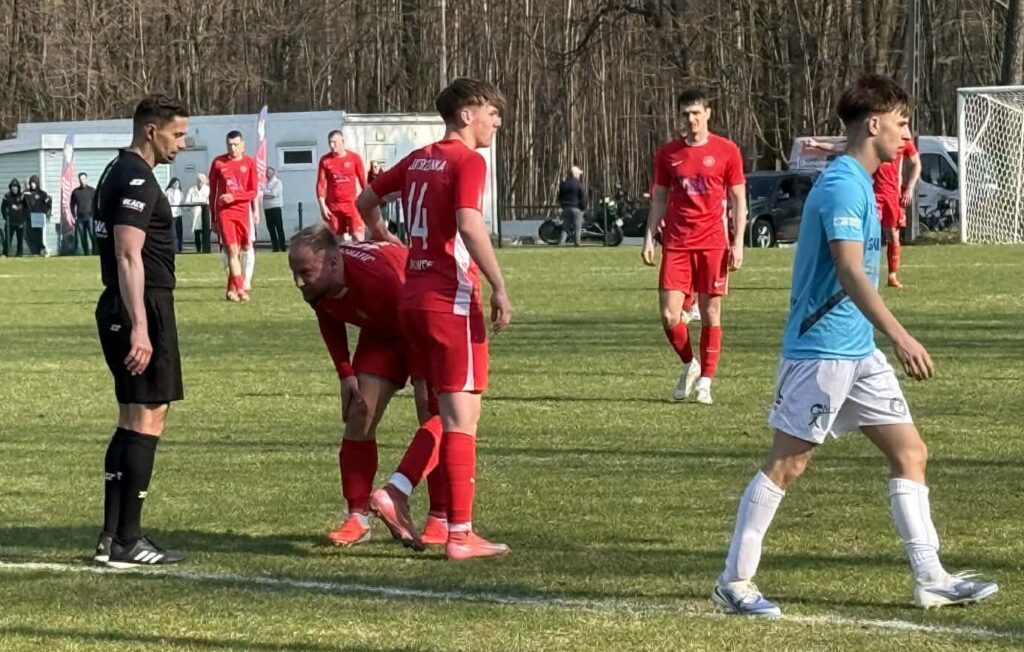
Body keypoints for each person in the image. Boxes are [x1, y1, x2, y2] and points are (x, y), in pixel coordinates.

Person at [711, 75, 998, 617]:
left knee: (910, 452)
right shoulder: (844, 185)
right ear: (874, 124)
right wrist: (901, 336)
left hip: (857, 351)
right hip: (821, 353)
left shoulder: (861, 181)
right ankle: (734, 581)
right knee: (787, 465)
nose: (907, 135)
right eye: (902, 123)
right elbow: (848, 270)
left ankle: (931, 578)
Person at [357, 77, 512, 561]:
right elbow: (469, 223)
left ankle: (439, 519)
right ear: (466, 114)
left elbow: (365, 202)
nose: (497, 122)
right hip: (451, 300)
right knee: (462, 418)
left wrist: (387, 238)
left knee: (438, 415)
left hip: (413, 299)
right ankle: (449, 526)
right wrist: (499, 284)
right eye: (491, 112)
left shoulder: (419, 158)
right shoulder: (467, 161)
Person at [288, 225, 450, 549]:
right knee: (359, 413)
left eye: (305, 272)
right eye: (295, 273)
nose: (299, 282)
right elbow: (328, 315)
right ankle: (357, 518)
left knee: (432, 412)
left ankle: (440, 517)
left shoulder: (380, 280)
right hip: (382, 331)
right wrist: (345, 373)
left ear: (334, 262)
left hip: (420, 324)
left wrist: (423, 379)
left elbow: (419, 323)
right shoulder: (319, 283)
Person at [92, 94, 190, 568]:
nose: (182, 144)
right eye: (177, 134)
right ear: (151, 130)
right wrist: (141, 328)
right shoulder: (137, 177)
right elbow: (127, 253)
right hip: (141, 303)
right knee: (149, 417)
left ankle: (111, 537)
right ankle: (128, 541)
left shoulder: (115, 169)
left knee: (131, 418)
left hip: (123, 302)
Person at [641, 88, 747, 405]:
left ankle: (706, 382)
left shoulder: (727, 151)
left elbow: (738, 199)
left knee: (711, 313)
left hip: (713, 243)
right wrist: (649, 236)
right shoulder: (668, 154)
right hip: (677, 244)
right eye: (686, 114)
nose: (691, 119)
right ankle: (690, 363)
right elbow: (659, 198)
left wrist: (738, 242)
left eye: (697, 113)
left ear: (708, 114)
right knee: (670, 315)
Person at [804, 133, 921, 289]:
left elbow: (916, 163)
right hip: (872, 193)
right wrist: (818, 144)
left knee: (893, 235)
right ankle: (858, 273)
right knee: (865, 233)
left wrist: (910, 187)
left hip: (893, 195)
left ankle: (892, 275)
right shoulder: (874, 138)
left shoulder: (903, 140)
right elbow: (844, 147)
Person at [208, 130, 259, 302]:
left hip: (243, 213)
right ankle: (241, 289)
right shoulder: (218, 163)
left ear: (242, 144)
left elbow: (253, 192)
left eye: (236, 144)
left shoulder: (249, 162)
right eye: (230, 145)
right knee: (232, 251)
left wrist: (235, 197)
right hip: (225, 213)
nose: (233, 148)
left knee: (242, 251)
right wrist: (213, 217)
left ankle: (231, 289)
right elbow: (212, 193)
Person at [317, 130, 367, 241]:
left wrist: (367, 202)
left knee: (358, 236)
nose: (332, 145)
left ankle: (359, 252)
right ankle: (341, 252)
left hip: (351, 204)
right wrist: (322, 206)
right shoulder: (325, 160)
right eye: (330, 142)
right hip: (334, 206)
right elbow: (321, 184)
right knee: (337, 239)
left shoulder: (354, 158)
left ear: (342, 141)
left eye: (334, 142)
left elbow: (364, 182)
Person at [557, 166, 588, 246]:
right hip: (576, 208)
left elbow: (560, 197)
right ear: (576, 174)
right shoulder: (579, 184)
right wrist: (583, 207)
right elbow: (583, 197)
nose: (579, 176)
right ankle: (577, 242)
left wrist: (563, 206)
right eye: (579, 174)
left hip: (566, 208)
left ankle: (561, 242)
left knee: (565, 227)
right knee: (577, 227)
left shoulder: (563, 184)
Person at [23, 175, 52, 256]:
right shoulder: (27, 194)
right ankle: (34, 251)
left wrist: (45, 212)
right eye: (31, 183)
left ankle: (42, 250)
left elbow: (48, 203)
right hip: (29, 217)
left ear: (37, 183)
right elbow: (23, 205)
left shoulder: (42, 194)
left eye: (34, 183)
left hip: (39, 217)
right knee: (30, 235)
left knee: (39, 235)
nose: (32, 185)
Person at [70, 173, 97, 255]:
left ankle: (95, 251)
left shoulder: (92, 191)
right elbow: (72, 204)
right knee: (82, 236)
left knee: (92, 235)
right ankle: (86, 252)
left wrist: (95, 214)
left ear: (87, 179)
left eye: (84, 179)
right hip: (80, 218)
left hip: (90, 217)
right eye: (81, 179)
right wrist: (73, 215)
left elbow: (96, 204)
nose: (82, 181)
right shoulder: (76, 192)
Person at [2, 178, 27, 257]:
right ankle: (5, 253)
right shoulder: (7, 196)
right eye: (12, 186)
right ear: (10, 187)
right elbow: (2, 208)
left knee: (20, 239)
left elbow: (26, 209)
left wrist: (23, 220)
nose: (14, 188)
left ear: (18, 187)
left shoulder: (22, 197)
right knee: (8, 239)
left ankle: (19, 253)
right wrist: (6, 218)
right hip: (10, 222)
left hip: (20, 222)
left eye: (15, 186)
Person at [185, 174, 210, 253]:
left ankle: (206, 249)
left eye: (202, 180)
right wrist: (197, 203)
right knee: (197, 232)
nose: (200, 182)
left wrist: (203, 203)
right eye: (199, 180)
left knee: (205, 232)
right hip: (195, 213)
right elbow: (187, 202)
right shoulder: (191, 190)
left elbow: (209, 201)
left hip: (204, 213)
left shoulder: (208, 189)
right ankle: (198, 250)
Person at [263, 167, 286, 252]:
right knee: (270, 228)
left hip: (275, 207)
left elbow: (274, 193)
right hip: (267, 207)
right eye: (266, 173)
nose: (267, 174)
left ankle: (282, 247)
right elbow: (262, 192)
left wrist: (266, 193)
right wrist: (267, 193)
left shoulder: (277, 182)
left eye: (269, 173)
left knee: (279, 227)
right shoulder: (265, 183)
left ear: (273, 173)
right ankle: (275, 247)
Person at [165, 178, 184, 253]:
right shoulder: (168, 192)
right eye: (175, 183)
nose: (177, 185)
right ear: (172, 184)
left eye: (178, 184)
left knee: (179, 232)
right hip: (171, 214)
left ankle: (179, 248)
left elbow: (182, 202)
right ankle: (173, 248)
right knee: (173, 232)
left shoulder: (180, 192)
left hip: (178, 214)